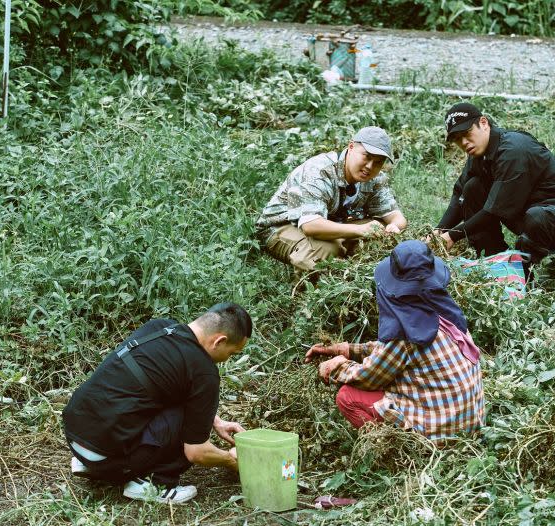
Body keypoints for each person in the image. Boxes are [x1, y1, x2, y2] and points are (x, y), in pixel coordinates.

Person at [62, 303, 252, 504]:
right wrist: (233, 461)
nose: (228, 359)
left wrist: (215, 421)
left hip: (76, 436)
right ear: (219, 341)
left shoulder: (159, 328)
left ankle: (91, 463)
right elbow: (197, 453)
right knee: (188, 428)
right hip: (104, 457)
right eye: (232, 353)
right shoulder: (204, 373)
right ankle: (153, 483)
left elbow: (163, 384)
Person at [305, 240, 485, 441]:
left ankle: (395, 446)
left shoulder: (407, 337)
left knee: (347, 396)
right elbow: (389, 353)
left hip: (439, 435)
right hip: (469, 425)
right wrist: (345, 349)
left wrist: (337, 366)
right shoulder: (442, 314)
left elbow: (368, 377)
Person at [434, 102, 555, 266]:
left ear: (483, 123)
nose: (464, 142)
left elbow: (494, 211)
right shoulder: (478, 153)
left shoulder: (513, 150)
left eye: (467, 133)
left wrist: (452, 235)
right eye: (457, 139)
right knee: (472, 187)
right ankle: (492, 262)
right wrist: (437, 233)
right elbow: (459, 194)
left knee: (536, 216)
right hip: (529, 214)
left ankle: (523, 277)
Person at [256, 126, 408, 271]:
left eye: (378, 162)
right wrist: (361, 230)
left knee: (378, 232)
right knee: (326, 249)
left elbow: (397, 217)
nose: (369, 166)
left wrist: (393, 227)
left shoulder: (374, 179)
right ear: (351, 147)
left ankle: (354, 279)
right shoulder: (319, 171)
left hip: (330, 222)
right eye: (366, 157)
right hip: (282, 226)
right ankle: (309, 294)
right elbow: (311, 226)